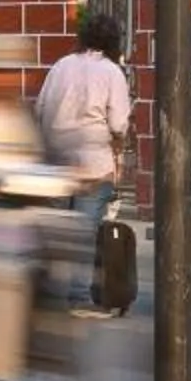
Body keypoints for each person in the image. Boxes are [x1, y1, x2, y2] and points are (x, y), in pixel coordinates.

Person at [34, 14, 132, 226]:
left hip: (56, 162)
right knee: (84, 233)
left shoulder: (60, 66)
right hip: (94, 166)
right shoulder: (112, 72)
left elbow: (39, 109)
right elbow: (118, 125)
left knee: (55, 231)